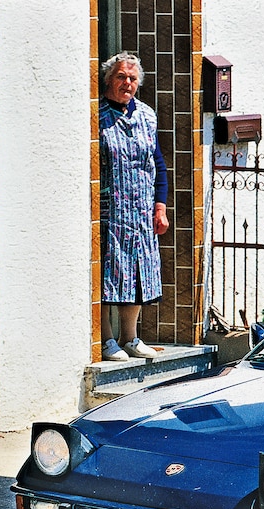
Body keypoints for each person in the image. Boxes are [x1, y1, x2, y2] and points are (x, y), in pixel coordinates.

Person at [98, 52, 170, 361]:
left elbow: (158, 164)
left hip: (141, 209)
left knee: (138, 272)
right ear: (107, 80)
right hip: (109, 210)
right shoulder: (96, 115)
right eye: (120, 77)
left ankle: (130, 337)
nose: (127, 83)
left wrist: (160, 206)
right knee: (108, 273)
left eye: (132, 78)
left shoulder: (146, 115)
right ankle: (105, 339)